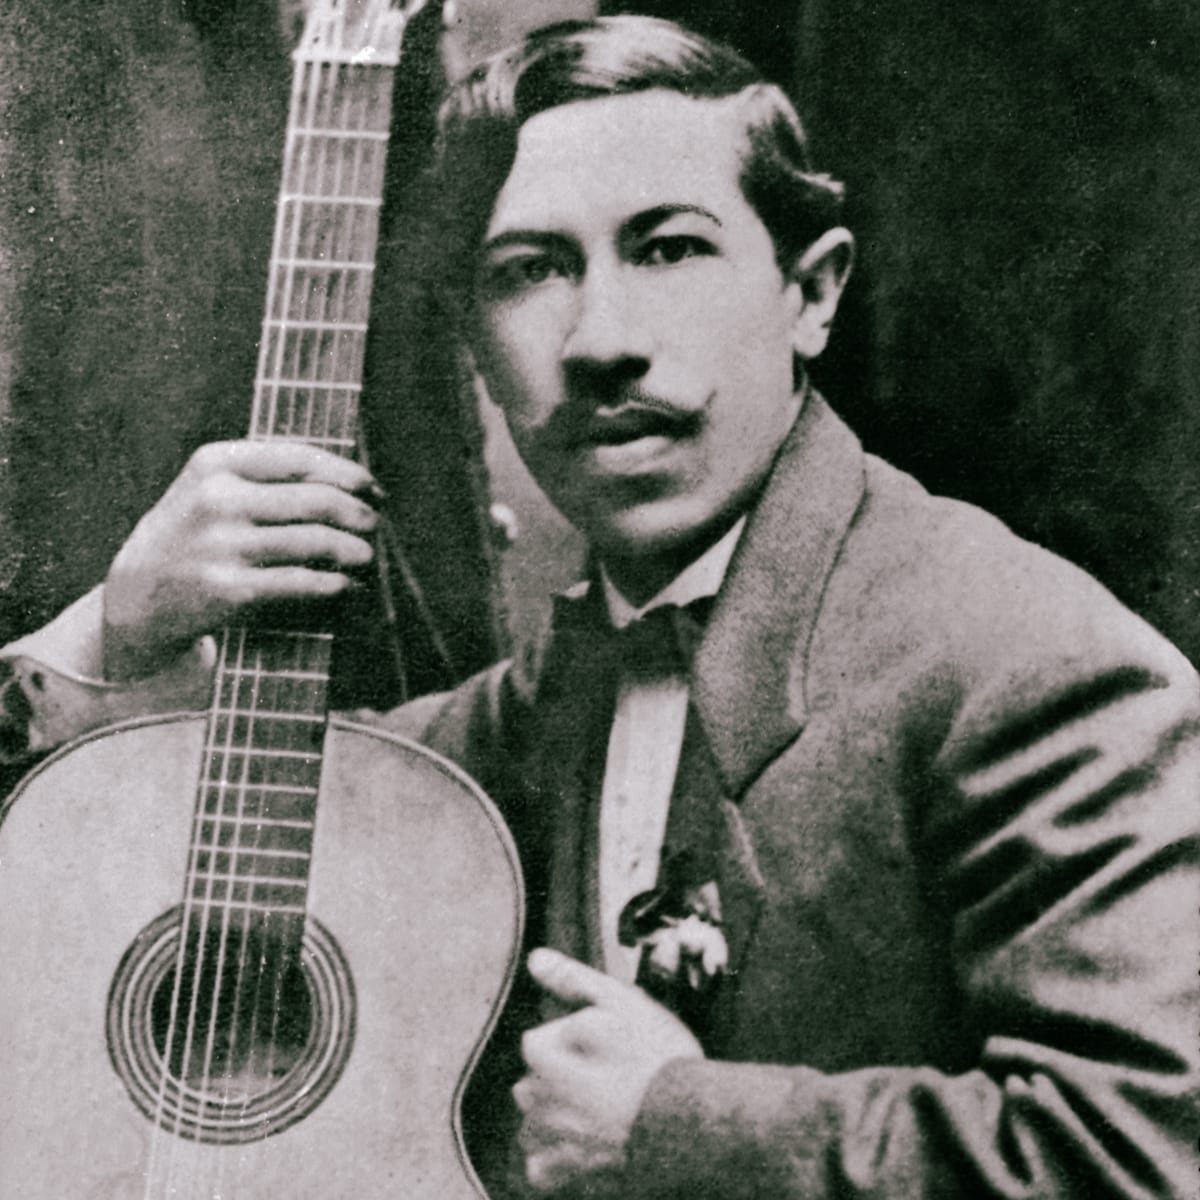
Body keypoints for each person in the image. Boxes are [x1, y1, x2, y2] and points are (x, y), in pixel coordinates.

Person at [2, 15, 1197, 1199]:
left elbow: (1150, 1155)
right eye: (528, 273)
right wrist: (112, 629)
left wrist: (674, 1127)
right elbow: (138, 846)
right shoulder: (534, 706)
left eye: (669, 250)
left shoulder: (1025, 659)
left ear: (813, 293)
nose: (600, 341)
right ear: (473, 343)